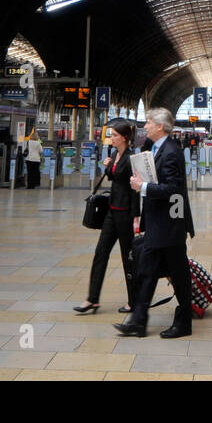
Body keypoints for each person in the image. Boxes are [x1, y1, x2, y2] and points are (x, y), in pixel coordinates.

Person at [116, 108, 195, 339]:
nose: (146, 125)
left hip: (170, 224)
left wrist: (144, 188)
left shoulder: (171, 152)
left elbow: (173, 189)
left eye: (149, 122)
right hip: (159, 223)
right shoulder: (154, 149)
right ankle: (138, 322)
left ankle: (183, 322)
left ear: (161, 126)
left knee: (178, 275)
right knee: (147, 271)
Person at [76, 118, 139, 313]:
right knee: (100, 252)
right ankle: (92, 298)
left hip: (126, 214)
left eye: (115, 135)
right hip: (112, 211)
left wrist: (136, 217)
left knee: (128, 257)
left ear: (125, 138)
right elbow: (114, 178)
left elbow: (135, 189)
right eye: (112, 135)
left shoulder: (131, 158)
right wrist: (108, 167)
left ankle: (134, 300)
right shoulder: (114, 154)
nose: (111, 138)